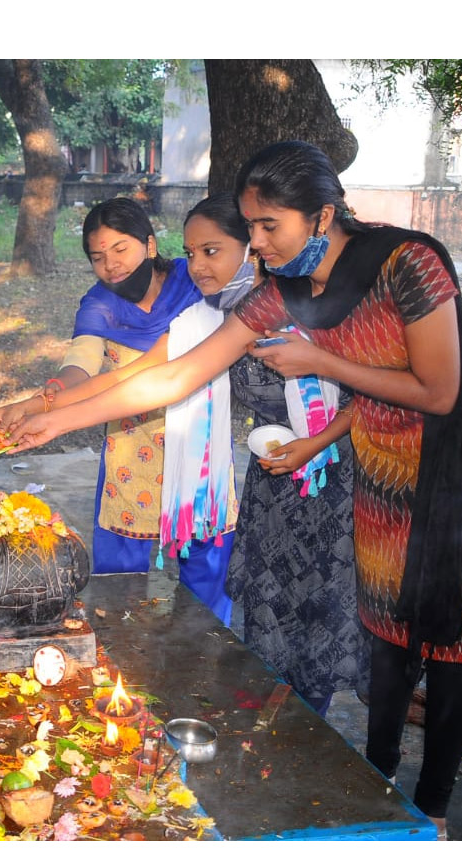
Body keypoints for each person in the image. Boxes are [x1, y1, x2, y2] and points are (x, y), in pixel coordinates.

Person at [5, 141, 462, 835]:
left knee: (450, 644)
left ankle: (430, 808)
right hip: (378, 474)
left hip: (448, 476)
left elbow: (439, 390)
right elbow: (177, 374)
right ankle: (376, 794)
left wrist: (315, 358)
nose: (256, 243)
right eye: (248, 228)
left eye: (267, 227)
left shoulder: (411, 262)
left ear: (322, 216)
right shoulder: (279, 291)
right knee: (387, 642)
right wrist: (53, 420)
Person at [0, 197, 235, 620]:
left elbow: (156, 372)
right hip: (130, 455)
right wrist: (43, 399)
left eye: (121, 249)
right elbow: (80, 368)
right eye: (98, 257)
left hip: (200, 454)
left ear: (150, 245)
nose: (112, 266)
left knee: (207, 582)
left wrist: (46, 410)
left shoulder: (198, 287)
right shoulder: (99, 305)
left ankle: (208, 664)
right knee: (119, 587)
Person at [184, 194, 364, 717]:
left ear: (252, 250)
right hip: (271, 484)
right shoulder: (231, 317)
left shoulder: (309, 305)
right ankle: (264, 721)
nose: (197, 266)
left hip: (329, 482)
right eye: (190, 253)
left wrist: (315, 442)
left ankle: (309, 730)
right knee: (268, 613)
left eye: (211, 251)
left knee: (318, 614)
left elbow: (366, 394)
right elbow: (165, 372)